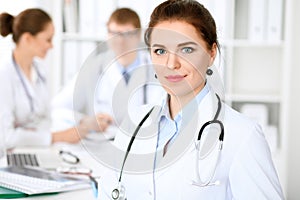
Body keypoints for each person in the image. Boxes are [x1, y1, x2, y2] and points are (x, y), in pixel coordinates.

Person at [99, 1, 285, 199]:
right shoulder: (134, 122)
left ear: (211, 53)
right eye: (160, 51)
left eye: (186, 49)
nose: (171, 64)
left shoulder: (243, 136)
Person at [52, 8, 164, 132]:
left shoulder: (156, 66)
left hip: (145, 143)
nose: (120, 41)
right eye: (114, 34)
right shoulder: (93, 67)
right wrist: (85, 121)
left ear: (138, 36)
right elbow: (57, 109)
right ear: (107, 34)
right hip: (104, 144)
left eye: (127, 34)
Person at [0, 8, 91, 148]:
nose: (52, 46)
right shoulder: (4, 74)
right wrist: (57, 137)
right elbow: (6, 137)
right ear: (28, 39)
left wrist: (27, 134)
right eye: (48, 40)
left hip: (38, 149)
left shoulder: (40, 70)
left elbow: (46, 120)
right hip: (8, 156)